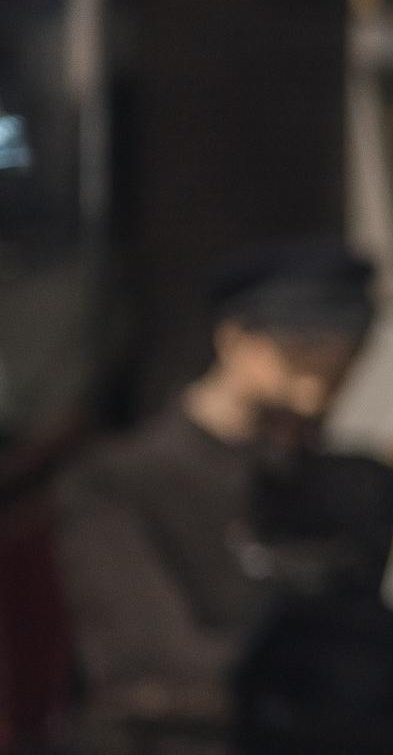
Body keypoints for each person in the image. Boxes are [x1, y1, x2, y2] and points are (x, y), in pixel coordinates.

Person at [50, 235, 375, 724]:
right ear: (237, 340)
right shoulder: (116, 483)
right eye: (303, 346)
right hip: (184, 746)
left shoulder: (336, 481)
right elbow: (152, 658)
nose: (328, 365)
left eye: (346, 349)